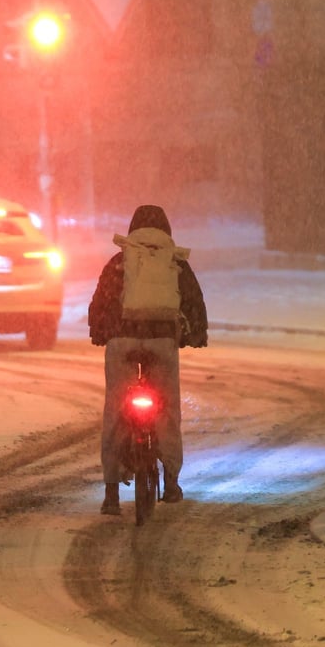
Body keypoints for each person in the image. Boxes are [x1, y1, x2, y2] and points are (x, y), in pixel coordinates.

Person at [88, 204, 208, 515]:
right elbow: (194, 303)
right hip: (162, 341)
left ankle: (111, 493)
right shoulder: (175, 261)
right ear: (166, 230)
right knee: (168, 411)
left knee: (115, 411)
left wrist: (100, 333)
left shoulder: (119, 261)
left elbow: (100, 302)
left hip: (123, 340)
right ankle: (171, 483)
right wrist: (196, 335)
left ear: (133, 229)